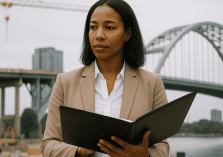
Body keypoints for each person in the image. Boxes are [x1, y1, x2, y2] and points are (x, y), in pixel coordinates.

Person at [41, 0, 170, 156]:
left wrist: (145, 155)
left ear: (128, 34)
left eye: (109, 27)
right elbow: (48, 144)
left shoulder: (153, 83)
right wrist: (78, 151)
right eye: (93, 27)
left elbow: (162, 146)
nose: (99, 35)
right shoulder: (65, 82)